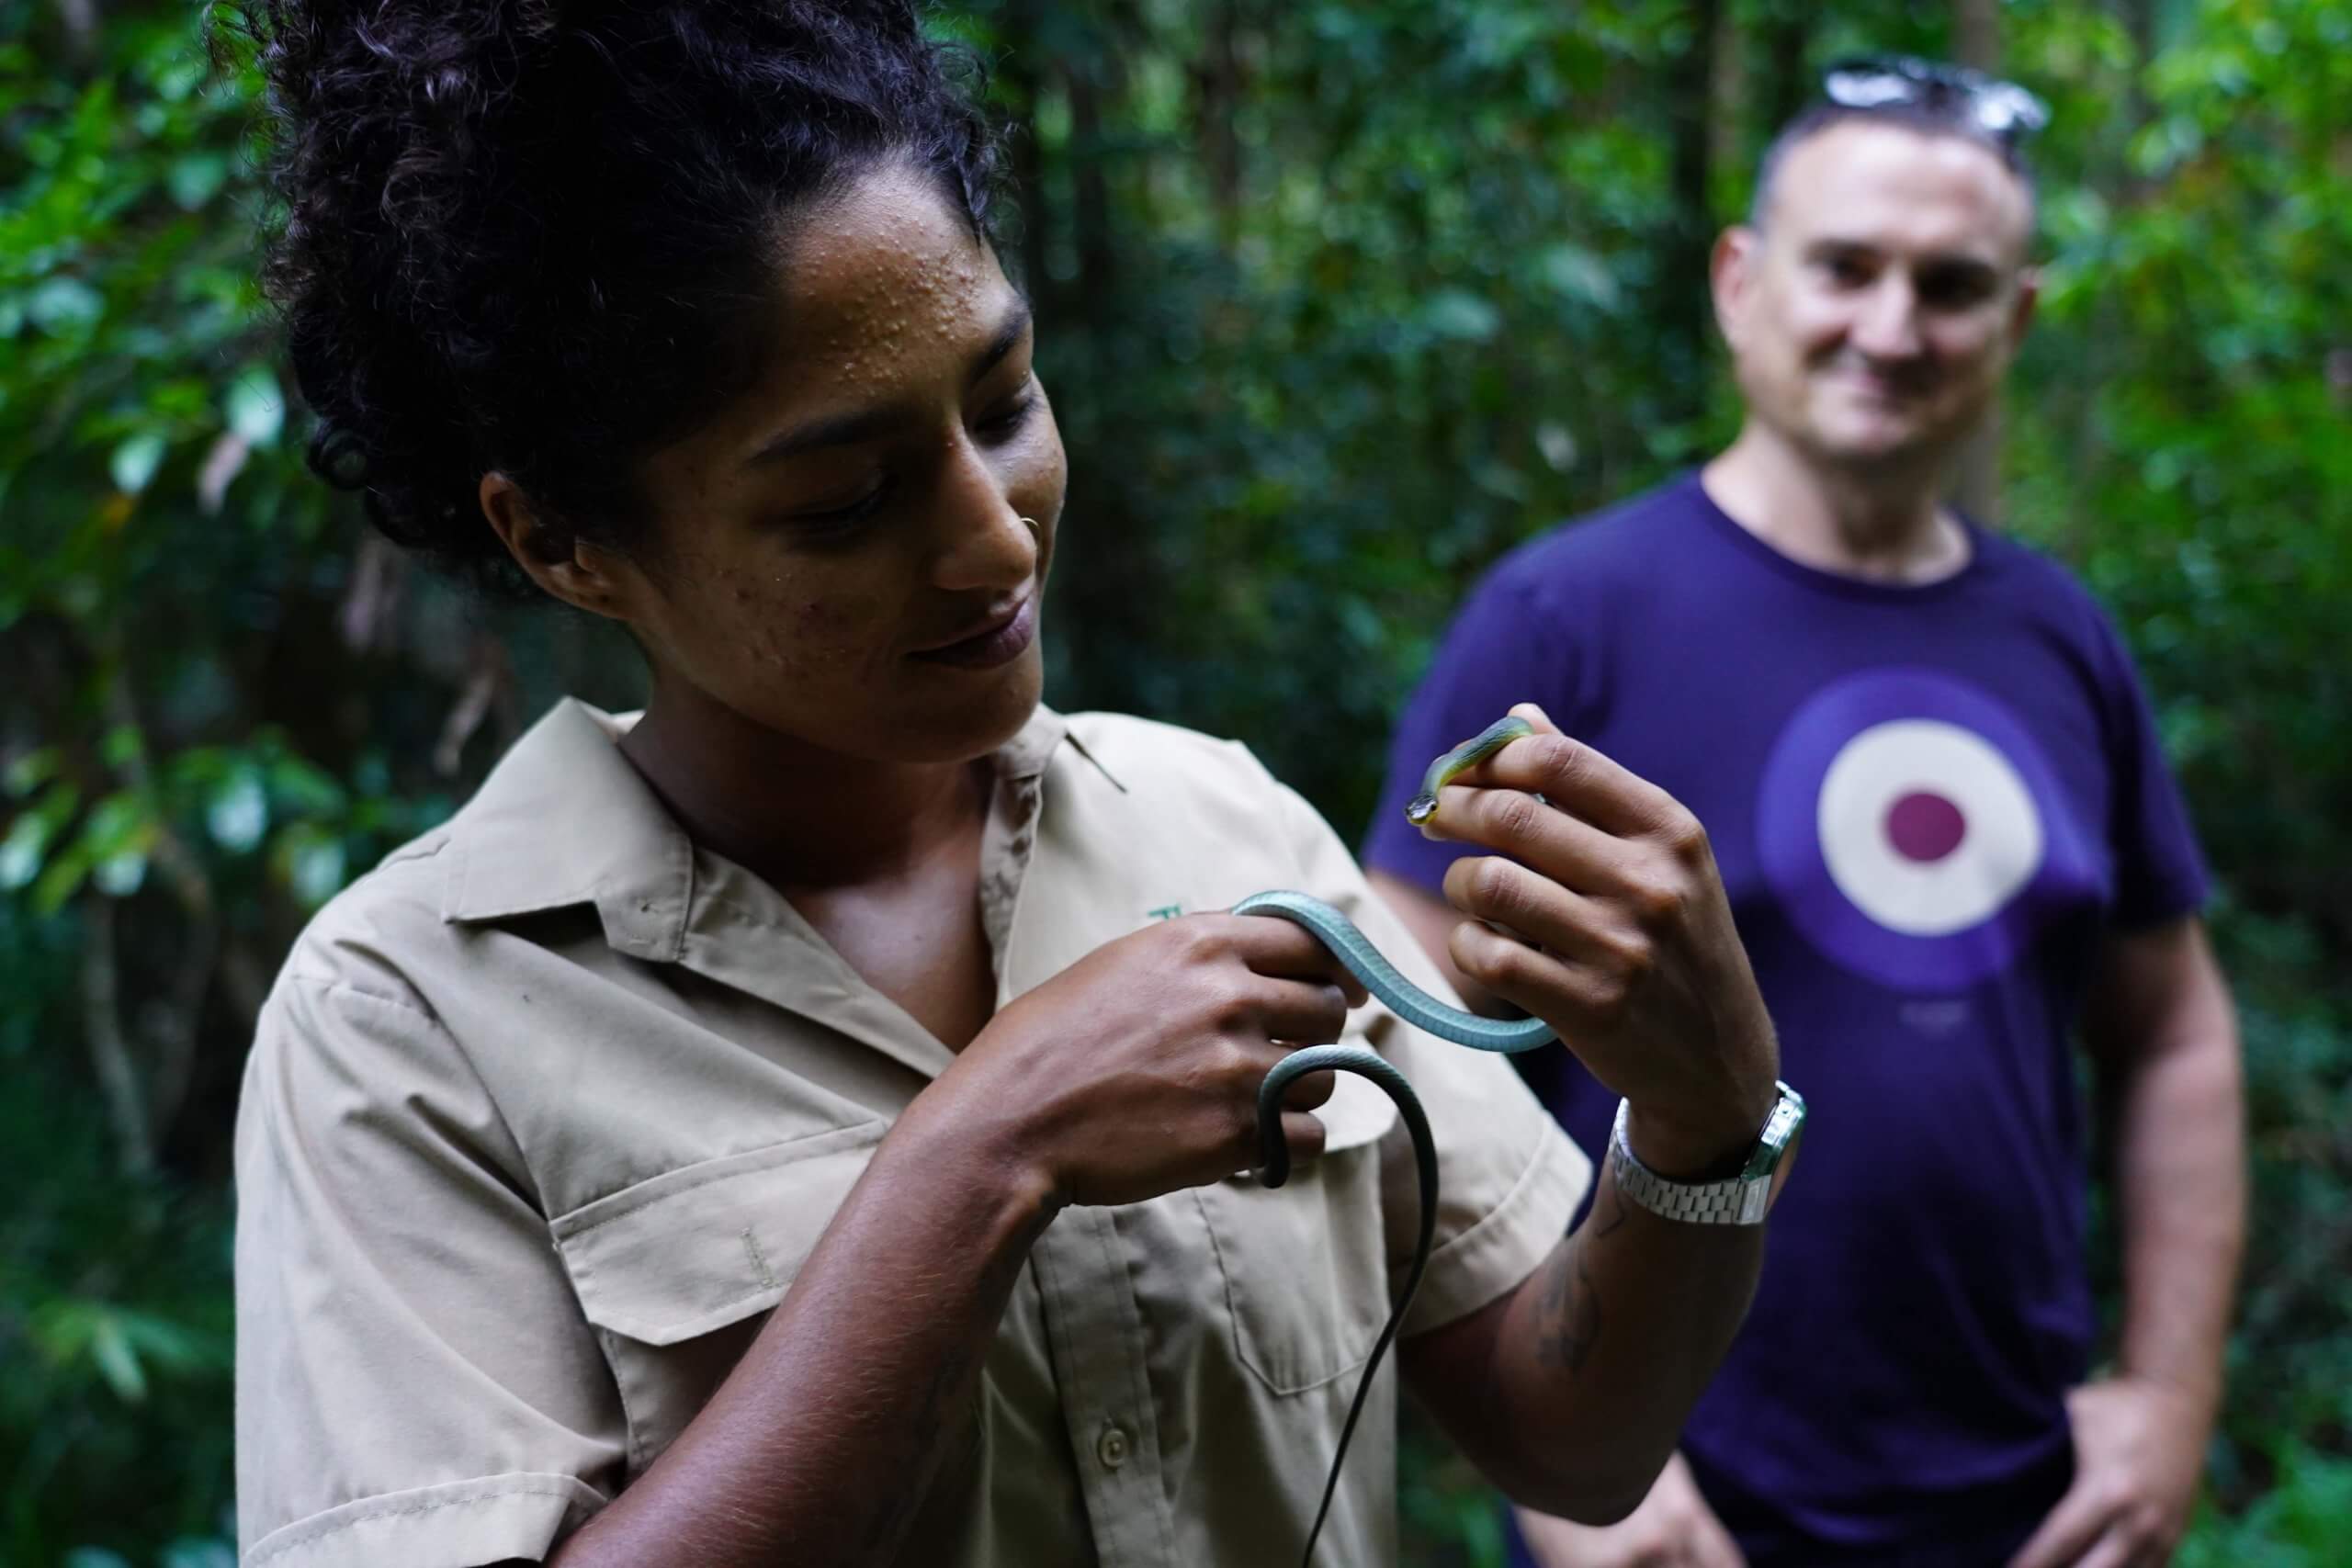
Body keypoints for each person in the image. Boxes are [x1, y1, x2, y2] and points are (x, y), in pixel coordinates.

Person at [229, 5, 1809, 1566]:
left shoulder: (1226, 829)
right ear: (563, 541)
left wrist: (1700, 1121)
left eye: (1003, 405)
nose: (996, 537)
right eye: (843, 500)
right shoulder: (407, 1026)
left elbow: (1579, 1445)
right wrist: (983, 1152)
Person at [1365, 55, 2247, 1568]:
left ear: (2018, 318)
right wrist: (1554, 1447)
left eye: (1952, 286)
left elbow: (2174, 1033)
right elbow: (1397, 1015)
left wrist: (2168, 1394)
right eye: (1847, 268)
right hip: (1667, 1505)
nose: (1892, 330)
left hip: (2028, 1506)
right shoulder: (1568, 615)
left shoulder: (2062, 638)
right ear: (1740, 282)